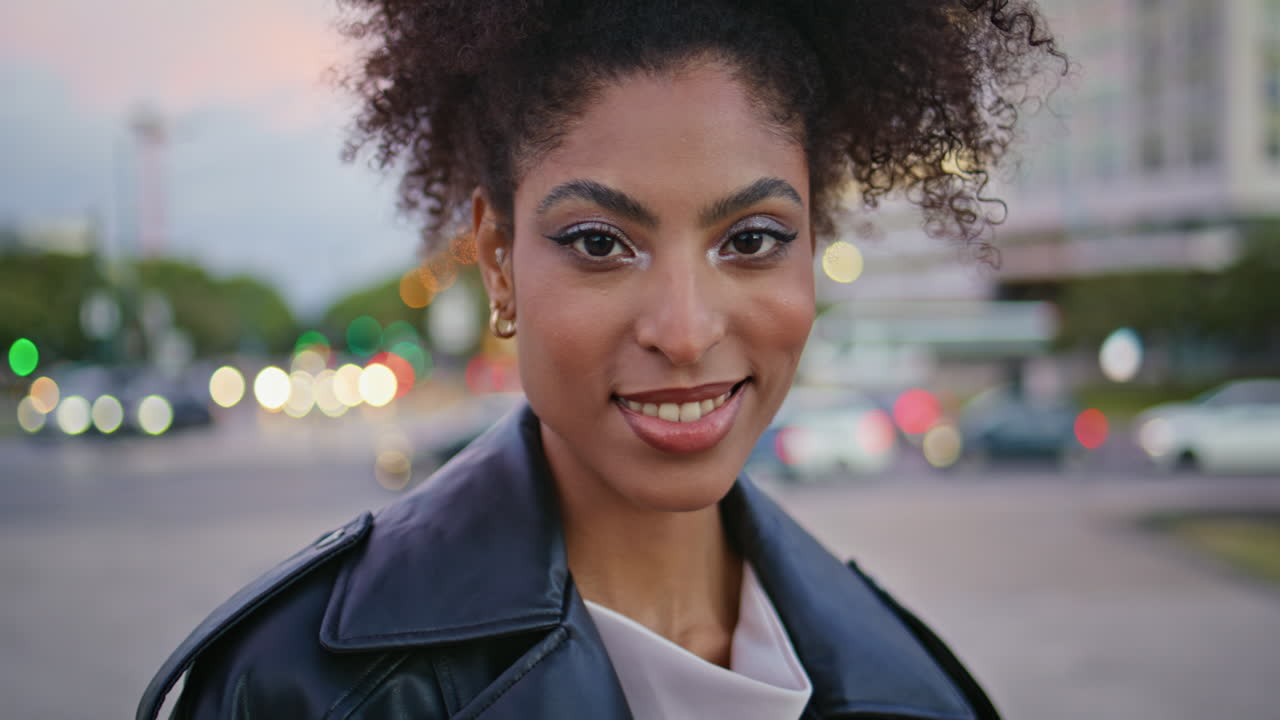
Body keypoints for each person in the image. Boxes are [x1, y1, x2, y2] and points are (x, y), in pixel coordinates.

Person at [139, 2, 1063, 718]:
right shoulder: (300, 687)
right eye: (598, 241)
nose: (686, 329)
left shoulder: (911, 688)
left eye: (751, 238)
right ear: (498, 262)